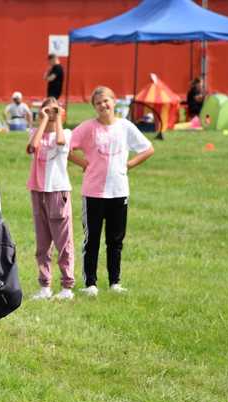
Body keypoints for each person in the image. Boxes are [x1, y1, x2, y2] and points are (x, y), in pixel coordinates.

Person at [69, 86, 154, 297]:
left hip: (118, 192)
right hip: (94, 193)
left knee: (115, 240)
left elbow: (148, 148)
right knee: (93, 240)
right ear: (94, 107)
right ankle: (90, 283)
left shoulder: (125, 127)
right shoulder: (88, 128)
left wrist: (129, 164)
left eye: (106, 101)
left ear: (114, 102)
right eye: (98, 103)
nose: (103, 106)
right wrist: (83, 162)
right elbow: (65, 147)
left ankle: (115, 281)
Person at [26, 97, 75, 300]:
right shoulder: (35, 132)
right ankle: (45, 286)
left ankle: (67, 287)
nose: (51, 113)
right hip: (38, 191)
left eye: (55, 111)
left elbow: (61, 142)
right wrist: (44, 120)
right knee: (42, 241)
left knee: (63, 241)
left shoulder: (66, 133)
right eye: (47, 110)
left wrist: (58, 119)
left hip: (58, 191)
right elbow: (32, 147)